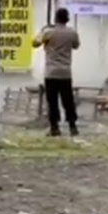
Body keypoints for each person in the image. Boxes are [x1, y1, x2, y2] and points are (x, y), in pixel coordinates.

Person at [33, 7, 81, 137]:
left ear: (55, 18)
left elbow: (34, 43)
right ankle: (72, 126)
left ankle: (54, 127)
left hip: (51, 72)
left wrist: (42, 31)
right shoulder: (72, 33)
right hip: (65, 72)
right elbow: (76, 46)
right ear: (67, 19)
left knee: (52, 101)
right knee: (68, 100)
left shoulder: (48, 32)